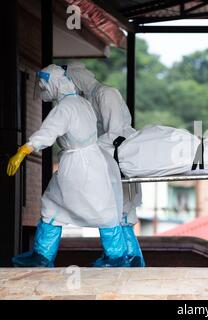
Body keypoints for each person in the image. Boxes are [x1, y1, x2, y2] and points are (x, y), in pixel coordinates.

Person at [7, 64, 129, 267]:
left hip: (76, 165)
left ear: (52, 84)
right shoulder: (82, 102)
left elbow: (48, 132)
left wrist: (24, 150)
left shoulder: (63, 108)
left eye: (43, 85)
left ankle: (44, 256)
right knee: (96, 206)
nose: (43, 89)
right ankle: (115, 256)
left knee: (56, 204)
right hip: (94, 160)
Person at [65, 62, 145, 267]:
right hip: (107, 158)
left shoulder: (106, 93)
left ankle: (125, 260)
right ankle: (126, 261)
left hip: (120, 157)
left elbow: (116, 132)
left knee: (121, 211)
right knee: (114, 211)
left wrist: (86, 147)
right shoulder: (88, 99)